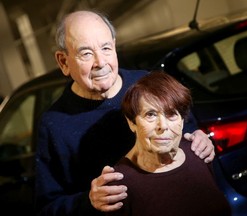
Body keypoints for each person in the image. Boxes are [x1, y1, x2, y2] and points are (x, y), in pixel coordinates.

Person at [34, 9, 215, 216]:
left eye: (106, 48)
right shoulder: (55, 125)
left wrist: (200, 139)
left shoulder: (148, 85)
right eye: (86, 53)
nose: (100, 63)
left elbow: (188, 130)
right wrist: (88, 201)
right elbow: (47, 209)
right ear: (64, 62)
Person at [107, 71, 231, 216]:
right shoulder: (118, 185)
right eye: (151, 115)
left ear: (183, 120)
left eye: (171, 114)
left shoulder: (198, 152)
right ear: (132, 123)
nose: (163, 125)